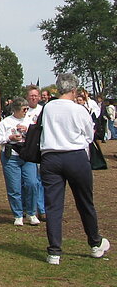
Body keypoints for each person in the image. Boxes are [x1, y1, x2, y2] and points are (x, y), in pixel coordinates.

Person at [41, 73, 110, 265]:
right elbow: (89, 135)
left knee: (53, 206)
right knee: (85, 202)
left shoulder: (47, 108)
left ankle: (54, 251)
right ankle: (95, 243)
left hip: (51, 157)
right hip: (75, 156)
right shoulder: (79, 110)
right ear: (74, 90)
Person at [0, 98, 39, 226]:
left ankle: (31, 213)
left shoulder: (29, 121)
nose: (26, 111)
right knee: (14, 187)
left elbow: (37, 136)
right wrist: (10, 137)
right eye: (24, 109)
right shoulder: (6, 122)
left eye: (27, 109)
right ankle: (18, 214)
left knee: (31, 183)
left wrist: (28, 132)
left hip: (27, 156)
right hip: (11, 157)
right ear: (16, 109)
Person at [24, 86, 46, 221]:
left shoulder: (44, 110)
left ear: (39, 97)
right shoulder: (24, 110)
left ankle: (42, 209)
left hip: (41, 147)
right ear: (27, 97)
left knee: (41, 180)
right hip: (28, 148)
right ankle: (29, 208)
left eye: (35, 95)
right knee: (30, 181)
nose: (33, 98)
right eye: (31, 95)